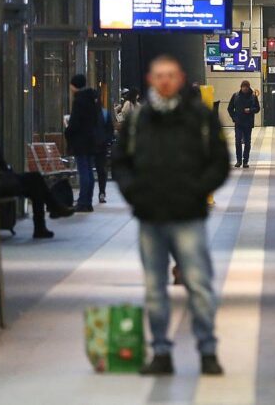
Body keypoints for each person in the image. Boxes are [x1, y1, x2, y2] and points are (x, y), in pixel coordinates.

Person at [112, 54, 230, 376]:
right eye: (159, 75)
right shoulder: (138, 119)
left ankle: (208, 351)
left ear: (180, 79)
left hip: (188, 214)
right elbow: (120, 161)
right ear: (151, 80)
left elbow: (219, 161)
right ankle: (161, 353)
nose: (165, 80)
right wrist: (134, 193)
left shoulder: (200, 117)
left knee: (198, 284)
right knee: (154, 288)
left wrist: (197, 191)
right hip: (150, 215)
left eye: (171, 75)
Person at [0, 143, 74, 238]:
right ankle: (49, 215)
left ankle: (50, 214)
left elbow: (1, 166)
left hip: (1, 180)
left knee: (36, 180)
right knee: (35, 182)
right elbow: (0, 165)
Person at [65, 74, 100, 212]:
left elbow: (75, 123)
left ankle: (83, 202)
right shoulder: (92, 99)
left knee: (83, 171)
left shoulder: (79, 100)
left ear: (74, 85)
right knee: (89, 172)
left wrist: (67, 130)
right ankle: (88, 201)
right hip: (91, 140)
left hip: (80, 141)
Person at [227, 80, 261, 168]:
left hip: (248, 123)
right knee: (238, 141)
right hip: (238, 123)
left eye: (246, 87)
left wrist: (250, 110)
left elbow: (257, 108)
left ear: (249, 87)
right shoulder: (235, 96)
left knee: (247, 143)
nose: (245, 88)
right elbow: (230, 108)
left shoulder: (253, 97)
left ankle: (245, 161)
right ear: (241, 87)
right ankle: (239, 161)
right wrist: (234, 118)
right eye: (243, 87)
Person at [96, 97, 117, 204]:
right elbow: (110, 130)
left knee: (87, 171)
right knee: (101, 171)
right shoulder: (105, 113)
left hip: (89, 146)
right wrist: (107, 141)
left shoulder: (86, 114)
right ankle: (102, 192)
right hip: (102, 146)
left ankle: (86, 196)